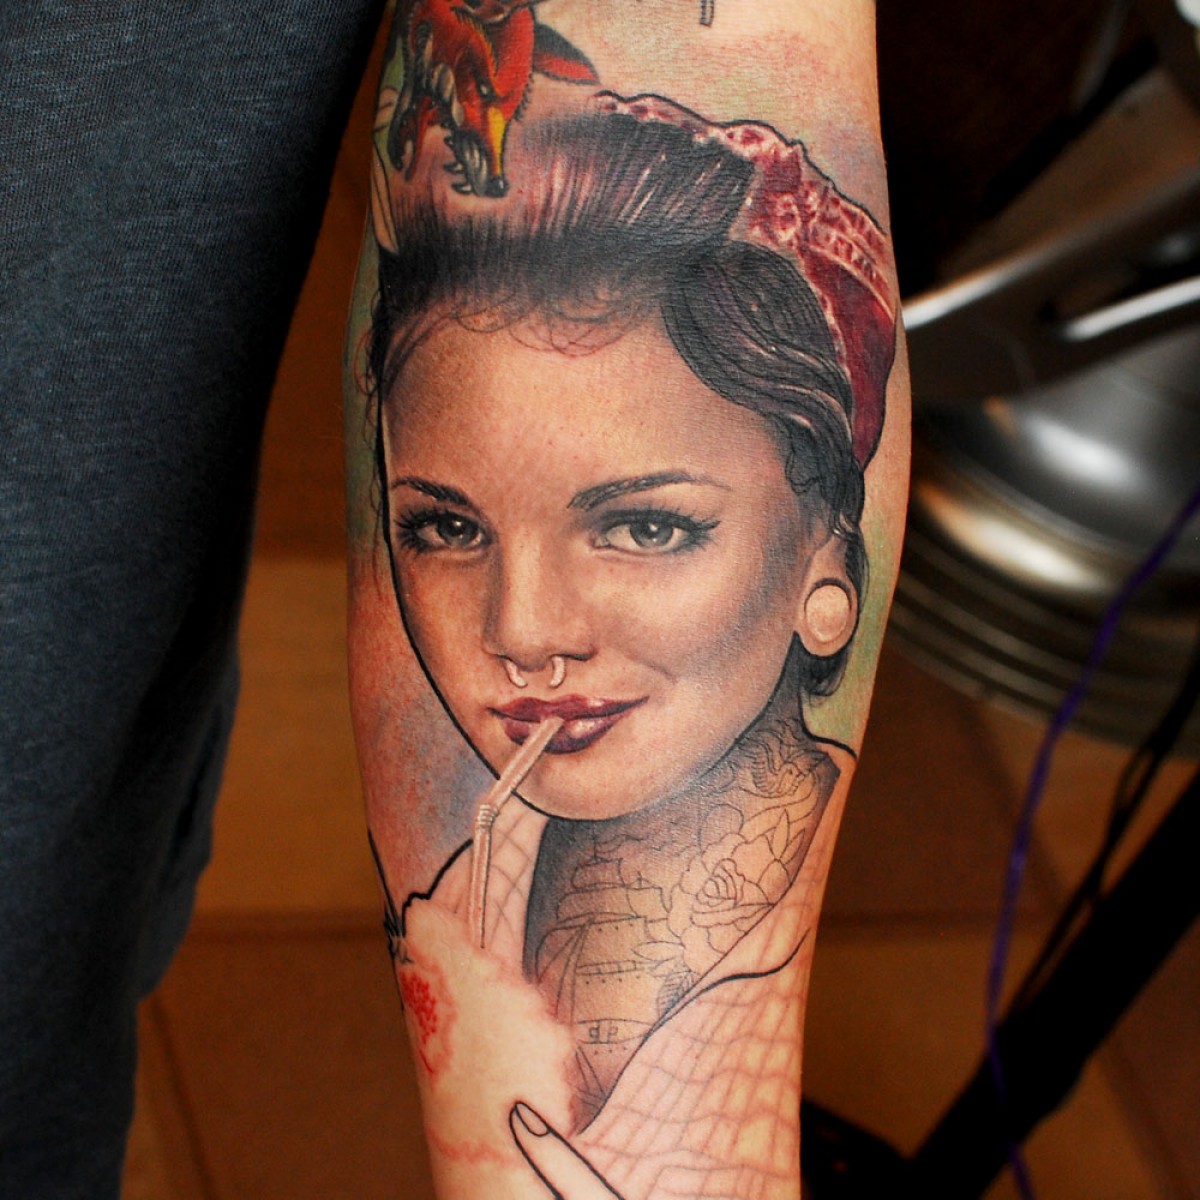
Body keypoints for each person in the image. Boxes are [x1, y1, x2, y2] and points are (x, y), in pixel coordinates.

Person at [359, 84, 900, 1199]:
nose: (523, 633)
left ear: (826, 562)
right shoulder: (467, 893)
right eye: (448, 529)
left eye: (646, 527)